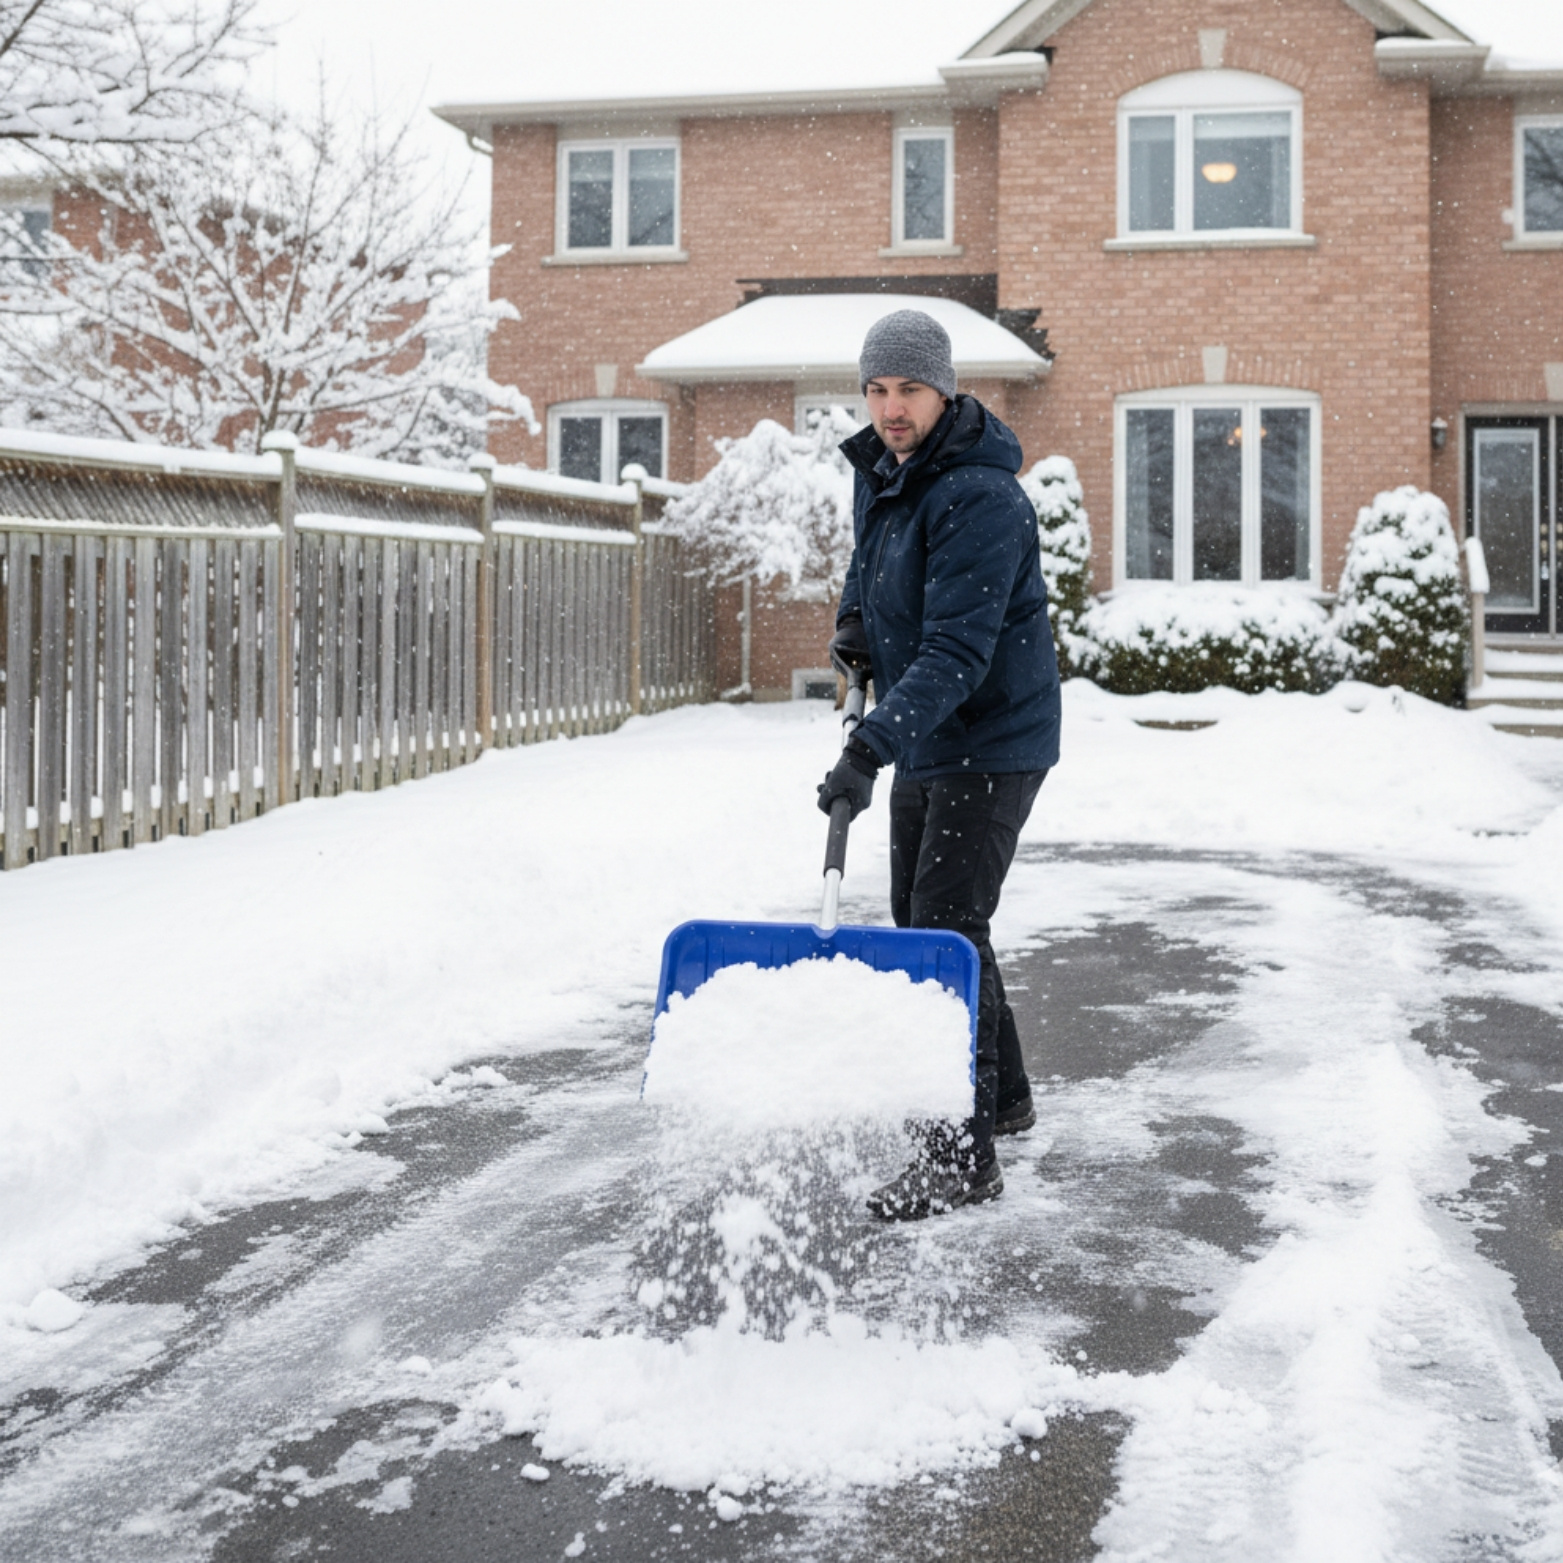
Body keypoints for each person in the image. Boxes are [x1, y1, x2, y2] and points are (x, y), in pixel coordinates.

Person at [817, 307, 1061, 1221]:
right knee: (936, 922)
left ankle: (959, 1157)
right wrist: (853, 624)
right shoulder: (887, 472)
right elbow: (867, 565)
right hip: (930, 729)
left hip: (992, 736)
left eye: (907, 389)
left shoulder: (980, 498)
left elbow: (959, 649)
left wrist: (868, 746)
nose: (889, 407)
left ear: (944, 390)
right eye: (876, 389)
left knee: (942, 930)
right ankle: (1004, 1096)